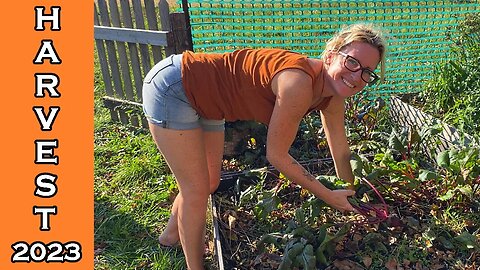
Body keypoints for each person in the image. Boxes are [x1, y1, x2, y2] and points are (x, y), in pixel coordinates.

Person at [142, 23, 387, 270]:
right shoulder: (298, 83)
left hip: (210, 102)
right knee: (195, 190)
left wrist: (350, 195)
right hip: (176, 87)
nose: (357, 76)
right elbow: (277, 156)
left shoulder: (333, 96)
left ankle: (170, 237)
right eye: (352, 62)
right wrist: (328, 195)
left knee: (210, 184)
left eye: (368, 72)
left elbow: (341, 151)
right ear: (332, 55)